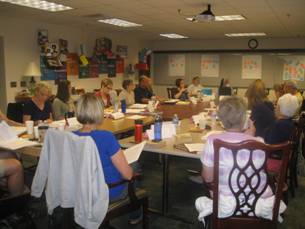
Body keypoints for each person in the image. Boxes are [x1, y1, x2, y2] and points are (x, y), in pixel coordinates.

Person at [73, 93, 141, 224]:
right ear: (100, 112)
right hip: (107, 191)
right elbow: (127, 175)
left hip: (81, 190)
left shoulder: (70, 136)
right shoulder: (106, 137)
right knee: (135, 168)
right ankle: (135, 212)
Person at [201, 96, 272, 198]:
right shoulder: (260, 143)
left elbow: (208, 178)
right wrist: (250, 137)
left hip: (225, 201)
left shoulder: (212, 141)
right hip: (257, 200)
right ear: (245, 118)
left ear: (221, 119)